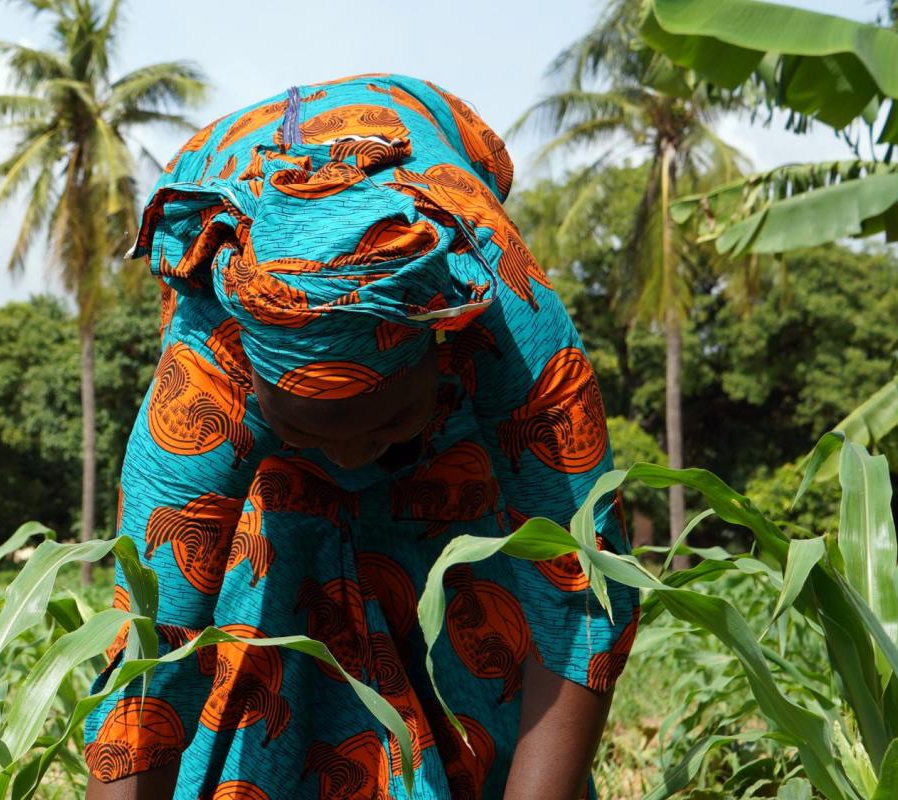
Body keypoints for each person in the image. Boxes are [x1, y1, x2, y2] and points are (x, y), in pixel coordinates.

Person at [84, 74, 638, 800]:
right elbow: (151, 657)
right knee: (267, 601)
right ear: (256, 389)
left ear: (441, 347)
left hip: (453, 443)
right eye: (307, 428)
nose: (351, 453)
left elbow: (583, 595)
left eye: (385, 421)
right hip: (279, 468)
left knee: (483, 631)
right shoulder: (211, 367)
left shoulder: (507, 325)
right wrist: (319, 440)